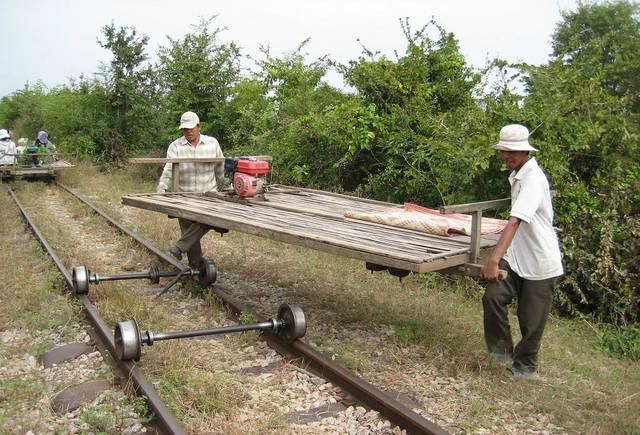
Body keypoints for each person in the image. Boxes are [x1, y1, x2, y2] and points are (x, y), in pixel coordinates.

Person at [480, 124, 563, 380]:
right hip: (517, 257)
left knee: (531, 320)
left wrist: (493, 259)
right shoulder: (518, 175)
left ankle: (524, 368)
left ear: (525, 151)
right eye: (504, 151)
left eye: (512, 152)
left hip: (539, 260)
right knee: (493, 296)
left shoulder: (532, 179)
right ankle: (500, 354)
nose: (507, 156)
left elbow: (515, 220)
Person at [157, 111, 225, 268]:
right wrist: (161, 190)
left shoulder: (212, 143)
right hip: (185, 197)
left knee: (206, 219)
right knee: (188, 229)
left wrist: (226, 187)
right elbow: (168, 170)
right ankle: (195, 269)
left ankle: (178, 249)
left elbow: (220, 167)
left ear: (198, 126)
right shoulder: (175, 146)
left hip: (209, 195)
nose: (188, 132)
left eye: (191, 128)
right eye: (185, 129)